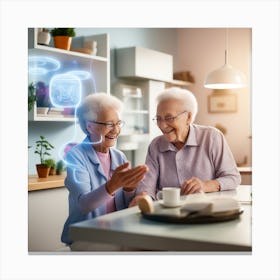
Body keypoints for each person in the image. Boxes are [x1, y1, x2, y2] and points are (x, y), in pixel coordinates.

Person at [61, 93, 148, 248]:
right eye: (109, 124)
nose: (116, 130)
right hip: (87, 237)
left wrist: (130, 190)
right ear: (90, 126)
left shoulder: (119, 156)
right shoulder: (76, 156)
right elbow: (84, 205)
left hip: (116, 233)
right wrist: (112, 186)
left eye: (118, 123)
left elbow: (125, 206)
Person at [130, 87, 241, 206]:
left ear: (188, 117)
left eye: (169, 118)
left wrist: (205, 185)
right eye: (158, 119)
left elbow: (233, 178)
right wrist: (142, 197)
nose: (162, 125)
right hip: (169, 215)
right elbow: (147, 186)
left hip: (207, 211)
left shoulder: (211, 137)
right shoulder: (156, 146)